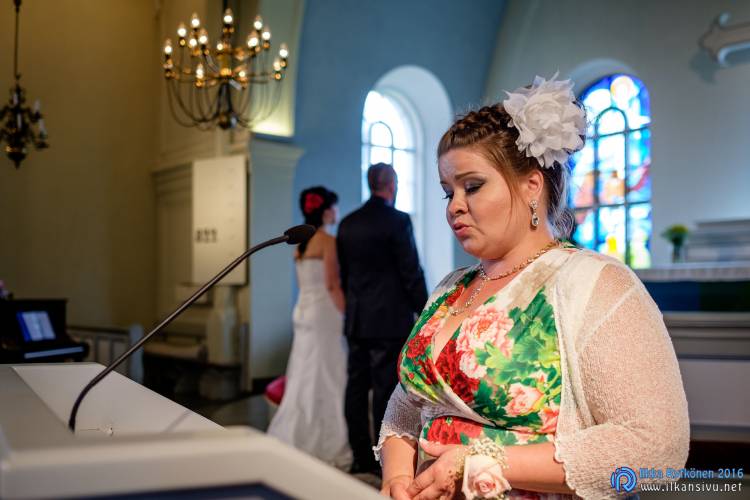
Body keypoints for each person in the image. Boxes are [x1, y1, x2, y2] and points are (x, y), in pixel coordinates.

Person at [376, 76, 689, 499]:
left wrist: (485, 462)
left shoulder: (593, 283)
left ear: (531, 186)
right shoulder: (451, 288)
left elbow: (656, 448)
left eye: (472, 186)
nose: (454, 207)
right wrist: (397, 476)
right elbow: (409, 402)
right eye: (448, 192)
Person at [337, 163, 429, 475]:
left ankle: (359, 456)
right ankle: (382, 460)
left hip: (357, 319)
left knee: (355, 387)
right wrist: (426, 311)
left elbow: (345, 276)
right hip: (389, 320)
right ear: (391, 185)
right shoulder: (397, 221)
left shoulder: (348, 224)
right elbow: (410, 271)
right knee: (385, 389)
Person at [267, 186, 352, 470]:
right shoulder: (327, 241)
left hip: (302, 311)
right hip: (324, 314)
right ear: (326, 211)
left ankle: (295, 434)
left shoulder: (300, 245)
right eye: (334, 207)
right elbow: (332, 285)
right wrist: (348, 314)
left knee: (303, 373)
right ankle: (324, 441)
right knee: (329, 374)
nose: (337, 212)